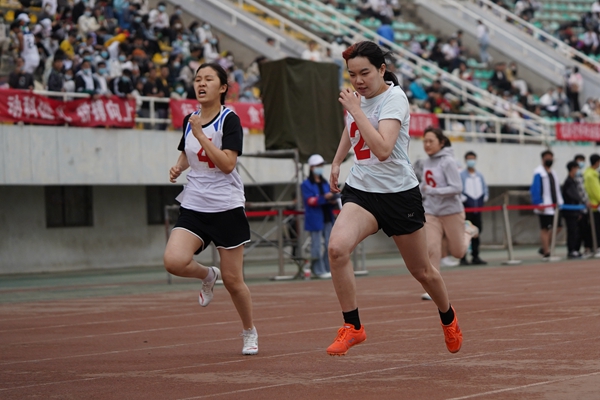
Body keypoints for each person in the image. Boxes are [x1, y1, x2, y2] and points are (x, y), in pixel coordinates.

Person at [326, 41, 463, 357]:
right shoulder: (359, 99)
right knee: (336, 248)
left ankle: (448, 317)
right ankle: (353, 326)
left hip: (399, 195)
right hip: (362, 190)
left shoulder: (395, 98)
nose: (358, 81)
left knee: (422, 271)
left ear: (382, 69)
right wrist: (337, 160)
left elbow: (383, 149)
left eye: (365, 73)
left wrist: (356, 109)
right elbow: (352, 128)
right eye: (352, 74)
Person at [163, 62, 258, 355]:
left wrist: (202, 135)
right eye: (197, 79)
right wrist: (179, 166)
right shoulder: (190, 120)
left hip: (226, 205)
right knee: (174, 261)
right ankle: (207, 275)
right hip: (195, 203)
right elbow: (187, 151)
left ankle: (249, 331)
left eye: (208, 79)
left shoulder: (229, 120)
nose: (201, 84)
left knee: (234, 281)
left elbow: (228, 164)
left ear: (223, 87)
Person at [420, 127, 479, 294]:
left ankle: (468, 230)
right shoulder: (426, 162)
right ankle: (433, 290)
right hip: (431, 211)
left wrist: (433, 191)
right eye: (425, 141)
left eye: (431, 141)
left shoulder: (448, 161)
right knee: (431, 248)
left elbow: (457, 188)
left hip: (451, 211)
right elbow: (425, 185)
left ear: (442, 142)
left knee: (458, 252)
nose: (427, 144)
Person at [301, 154, 336, 279]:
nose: (320, 168)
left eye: (321, 165)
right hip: (315, 218)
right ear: (311, 167)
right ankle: (318, 270)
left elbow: (329, 197)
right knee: (316, 245)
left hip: (327, 216)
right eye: (318, 165)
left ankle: (327, 268)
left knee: (329, 244)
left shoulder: (325, 182)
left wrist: (332, 199)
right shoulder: (306, 184)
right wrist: (324, 198)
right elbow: (309, 200)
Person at [530, 150, 563, 259]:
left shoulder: (553, 172)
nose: (549, 159)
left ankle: (544, 246)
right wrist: (539, 203)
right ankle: (546, 251)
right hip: (544, 205)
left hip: (555, 205)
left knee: (558, 227)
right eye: (547, 157)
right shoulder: (538, 172)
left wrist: (560, 202)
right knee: (545, 228)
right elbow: (535, 189)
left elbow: (557, 189)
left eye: (551, 157)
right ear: (543, 159)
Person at [460, 151, 489, 265]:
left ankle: (475, 256)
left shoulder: (479, 175)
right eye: (469, 159)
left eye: (472, 158)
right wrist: (464, 199)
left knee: (477, 231)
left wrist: (485, 197)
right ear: (465, 160)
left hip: (477, 209)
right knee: (465, 232)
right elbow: (459, 189)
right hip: (467, 209)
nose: (471, 161)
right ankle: (463, 257)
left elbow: (485, 188)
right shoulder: (462, 175)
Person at [562, 161, 585, 259]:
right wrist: (582, 201)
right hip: (570, 211)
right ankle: (571, 250)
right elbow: (574, 196)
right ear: (572, 169)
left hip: (576, 210)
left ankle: (576, 249)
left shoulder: (573, 181)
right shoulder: (568, 182)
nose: (578, 170)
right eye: (576, 168)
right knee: (572, 230)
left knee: (577, 230)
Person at [574, 154, 594, 257]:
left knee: (587, 229)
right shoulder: (575, 178)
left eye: (582, 160)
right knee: (581, 230)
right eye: (579, 160)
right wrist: (586, 201)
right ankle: (578, 249)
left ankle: (588, 248)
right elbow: (580, 193)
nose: (581, 163)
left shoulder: (583, 174)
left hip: (586, 208)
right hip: (580, 208)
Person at [583, 153, 600, 258]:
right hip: (595, 205)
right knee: (596, 228)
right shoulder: (591, 175)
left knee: (593, 228)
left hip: (593, 204)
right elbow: (596, 190)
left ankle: (593, 247)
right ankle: (597, 247)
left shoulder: (588, 173)